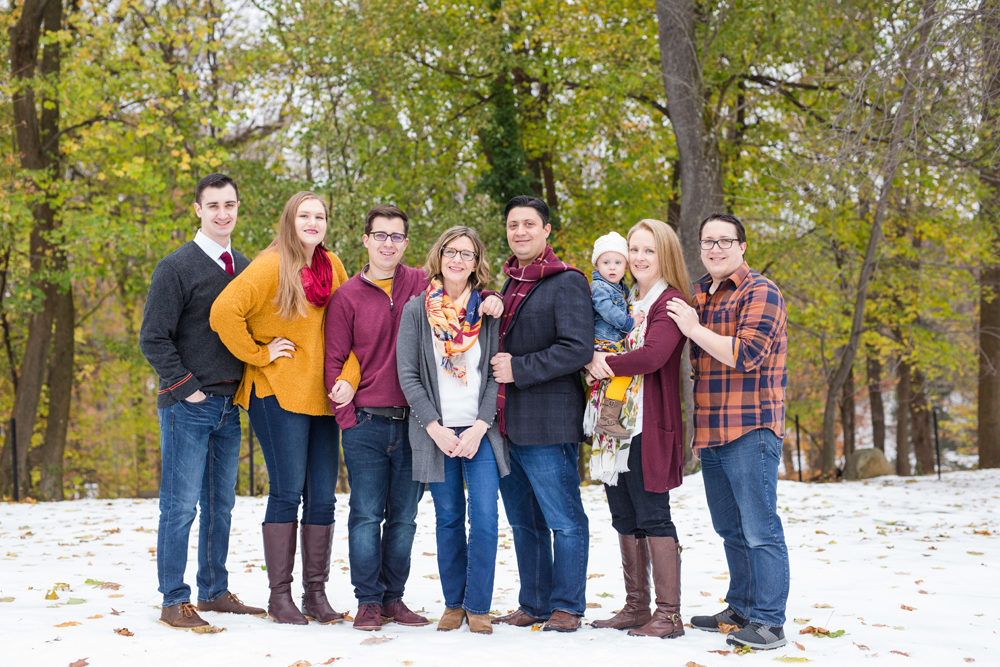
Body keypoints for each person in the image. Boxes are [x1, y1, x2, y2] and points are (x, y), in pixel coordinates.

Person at [210, 191, 359, 625]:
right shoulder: (271, 264)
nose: (312, 222)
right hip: (276, 392)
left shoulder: (332, 267)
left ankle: (316, 594)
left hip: (323, 397)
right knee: (287, 491)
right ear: (289, 221)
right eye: (304, 215)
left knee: (323, 496)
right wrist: (259, 353)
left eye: (320, 216)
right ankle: (280, 597)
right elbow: (224, 312)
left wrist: (347, 376)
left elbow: (352, 326)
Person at [139, 173, 265, 629]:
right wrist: (187, 388)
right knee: (179, 505)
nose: (222, 213)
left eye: (229, 204)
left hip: (230, 407)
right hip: (188, 407)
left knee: (221, 505)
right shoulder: (176, 267)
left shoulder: (247, 268)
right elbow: (152, 338)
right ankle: (175, 599)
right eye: (213, 205)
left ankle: (213, 591)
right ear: (198, 209)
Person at [665, 212, 790, 650]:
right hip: (712, 430)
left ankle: (770, 623)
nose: (715, 249)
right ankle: (742, 608)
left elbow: (746, 354)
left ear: (741, 246)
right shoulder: (698, 292)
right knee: (730, 528)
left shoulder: (762, 291)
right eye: (707, 242)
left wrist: (693, 328)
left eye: (724, 241)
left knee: (760, 529)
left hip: (751, 427)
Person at [322, 204, 433, 632]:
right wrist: (348, 419)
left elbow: (468, 290)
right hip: (366, 423)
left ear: (406, 243)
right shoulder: (346, 296)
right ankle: (367, 601)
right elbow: (334, 364)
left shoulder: (422, 284)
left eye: (397, 237)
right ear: (366, 239)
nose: (389, 243)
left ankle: (393, 599)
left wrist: (492, 297)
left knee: (404, 517)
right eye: (381, 235)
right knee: (366, 515)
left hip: (415, 424)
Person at [395, 226, 509, 635]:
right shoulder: (416, 310)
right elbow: (408, 375)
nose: (457, 260)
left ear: (477, 262)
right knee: (447, 518)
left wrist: (481, 426)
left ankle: (478, 606)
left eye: (466, 253)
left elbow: (497, 373)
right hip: (436, 432)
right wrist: (434, 427)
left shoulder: (488, 310)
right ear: (439, 257)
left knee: (484, 518)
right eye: (450, 252)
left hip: (480, 430)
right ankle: (453, 603)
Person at [489, 195, 594, 633]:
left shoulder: (566, 281)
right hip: (507, 426)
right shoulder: (510, 283)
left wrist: (518, 369)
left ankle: (567, 606)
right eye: (513, 225)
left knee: (564, 520)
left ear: (547, 229)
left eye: (529, 224)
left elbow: (577, 349)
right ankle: (532, 603)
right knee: (524, 522)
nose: (520, 232)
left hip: (549, 423)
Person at [584, 219, 690, 639]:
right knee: (623, 514)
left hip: (650, 424)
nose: (640, 257)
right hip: (616, 427)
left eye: (649, 250)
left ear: (664, 255)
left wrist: (600, 361)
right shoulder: (625, 298)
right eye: (635, 249)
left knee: (652, 514)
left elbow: (652, 356)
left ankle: (669, 614)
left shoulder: (670, 302)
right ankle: (636, 606)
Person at [589, 231, 645, 438]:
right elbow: (607, 311)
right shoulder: (600, 287)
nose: (612, 267)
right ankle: (607, 419)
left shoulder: (620, 288)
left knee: (608, 378)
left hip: (611, 341)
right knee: (624, 373)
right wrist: (630, 322)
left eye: (618, 262)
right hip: (604, 341)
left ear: (626, 266)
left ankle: (594, 416)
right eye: (606, 262)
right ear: (597, 266)